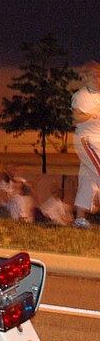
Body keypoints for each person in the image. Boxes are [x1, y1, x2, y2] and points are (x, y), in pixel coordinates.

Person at [71, 60, 100, 228]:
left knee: (87, 179)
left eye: (98, 75)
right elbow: (76, 118)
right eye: (93, 75)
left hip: (98, 140)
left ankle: (80, 219)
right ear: (85, 77)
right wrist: (92, 114)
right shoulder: (81, 95)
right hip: (88, 140)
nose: (96, 78)